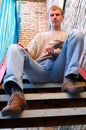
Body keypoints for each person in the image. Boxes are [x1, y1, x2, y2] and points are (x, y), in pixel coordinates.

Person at [2, 5, 84, 116]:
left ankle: (69, 79)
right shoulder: (40, 36)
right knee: (13, 47)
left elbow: (69, 54)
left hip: (58, 70)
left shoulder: (68, 36)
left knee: (77, 33)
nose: (54, 17)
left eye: (57, 15)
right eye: (52, 15)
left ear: (62, 17)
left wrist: (54, 51)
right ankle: (17, 94)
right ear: (48, 18)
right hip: (39, 70)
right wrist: (24, 50)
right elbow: (30, 53)